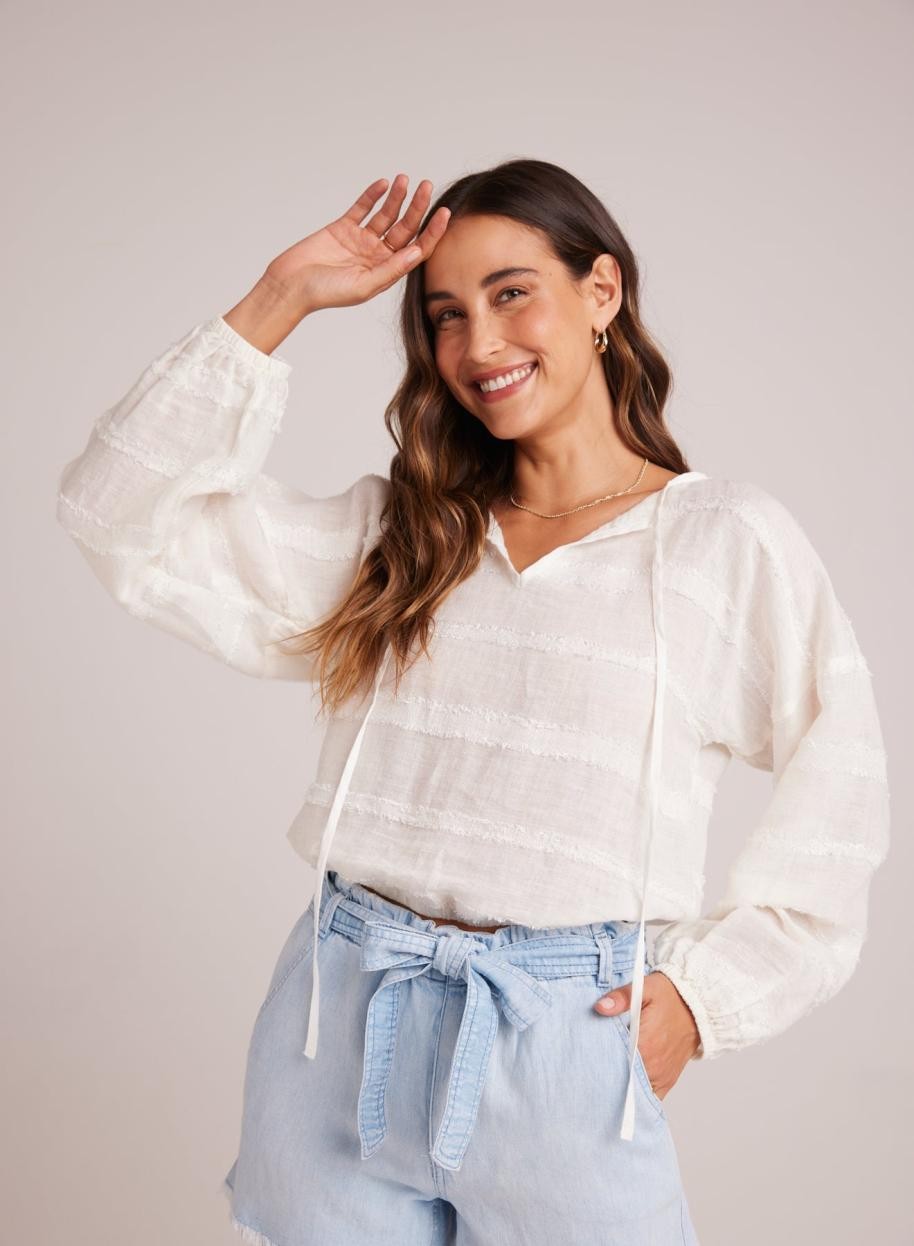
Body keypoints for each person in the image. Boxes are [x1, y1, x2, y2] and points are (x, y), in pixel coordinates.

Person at [55, 160, 890, 1246]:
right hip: (340, 1023)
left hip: (564, 1039)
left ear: (600, 292)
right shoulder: (403, 536)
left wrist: (706, 999)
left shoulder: (718, 544)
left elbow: (842, 787)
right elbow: (113, 512)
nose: (478, 344)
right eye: (446, 314)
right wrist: (282, 296)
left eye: (510, 294)